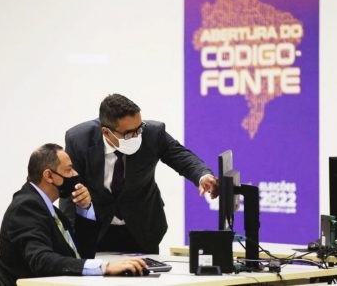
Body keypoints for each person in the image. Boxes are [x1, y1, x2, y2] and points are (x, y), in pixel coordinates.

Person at [60, 93, 218, 254]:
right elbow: (70, 192)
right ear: (106, 132)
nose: (137, 136)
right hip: (96, 230)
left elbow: (181, 157)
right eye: (129, 133)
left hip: (142, 229)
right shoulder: (79, 139)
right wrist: (68, 239)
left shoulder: (153, 133)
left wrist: (202, 175)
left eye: (139, 128)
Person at [0, 143, 147, 284]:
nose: (75, 174)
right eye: (68, 170)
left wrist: (84, 208)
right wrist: (104, 266)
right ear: (48, 176)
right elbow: (41, 260)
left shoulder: (48, 209)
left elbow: (81, 254)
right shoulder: (26, 207)